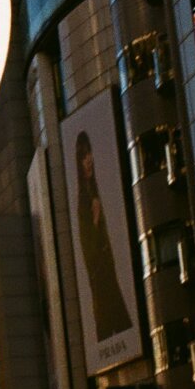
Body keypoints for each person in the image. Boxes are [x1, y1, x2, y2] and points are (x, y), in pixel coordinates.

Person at [74, 131, 134, 340]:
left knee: (115, 325)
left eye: (89, 153)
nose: (88, 159)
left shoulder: (94, 190)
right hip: (101, 277)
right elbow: (86, 245)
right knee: (111, 324)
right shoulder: (83, 199)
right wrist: (96, 218)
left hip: (107, 272)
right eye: (83, 156)